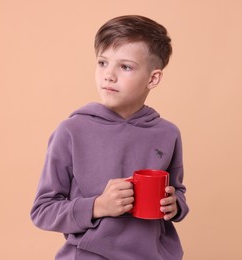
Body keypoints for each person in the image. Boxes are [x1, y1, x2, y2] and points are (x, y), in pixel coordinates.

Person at [30, 15, 189, 260]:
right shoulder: (71, 131)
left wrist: (175, 204)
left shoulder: (168, 133)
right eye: (103, 63)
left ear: (153, 78)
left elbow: (177, 191)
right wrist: (98, 206)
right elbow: (43, 210)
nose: (108, 75)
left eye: (125, 67)